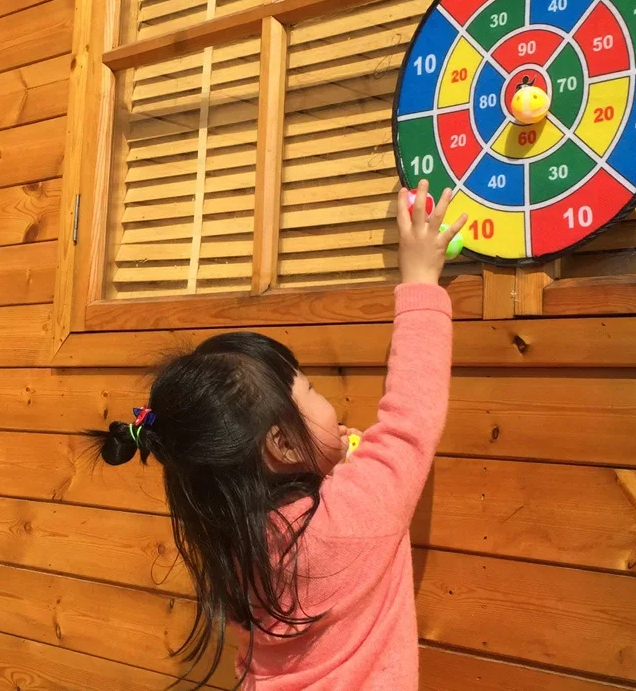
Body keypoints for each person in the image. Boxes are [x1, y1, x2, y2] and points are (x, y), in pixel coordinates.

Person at [87, 180, 467, 690]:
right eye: (310, 390)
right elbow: (408, 422)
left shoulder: (230, 529)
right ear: (282, 445)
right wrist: (421, 279)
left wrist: (333, 455)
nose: (327, 400)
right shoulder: (350, 517)